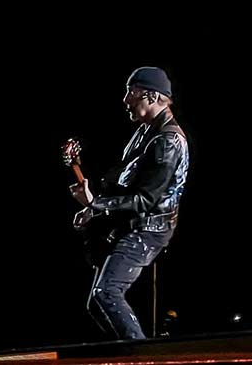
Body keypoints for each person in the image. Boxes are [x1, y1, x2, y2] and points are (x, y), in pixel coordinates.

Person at [70, 66, 189, 338]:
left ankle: (141, 355)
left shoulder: (168, 141)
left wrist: (97, 204)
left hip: (149, 230)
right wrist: (95, 208)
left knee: (107, 292)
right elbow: (127, 183)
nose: (126, 100)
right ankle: (128, 350)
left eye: (130, 92)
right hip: (134, 224)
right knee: (98, 302)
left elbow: (146, 199)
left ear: (150, 95)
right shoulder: (145, 131)